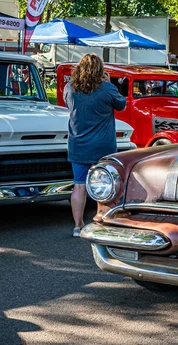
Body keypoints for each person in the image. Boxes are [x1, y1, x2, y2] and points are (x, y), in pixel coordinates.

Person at [63, 54, 126, 237]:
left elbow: (70, 107)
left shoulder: (70, 88)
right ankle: (102, 221)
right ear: (100, 70)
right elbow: (121, 105)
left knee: (79, 185)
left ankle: (78, 225)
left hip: (78, 145)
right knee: (106, 184)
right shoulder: (107, 89)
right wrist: (109, 83)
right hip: (103, 146)